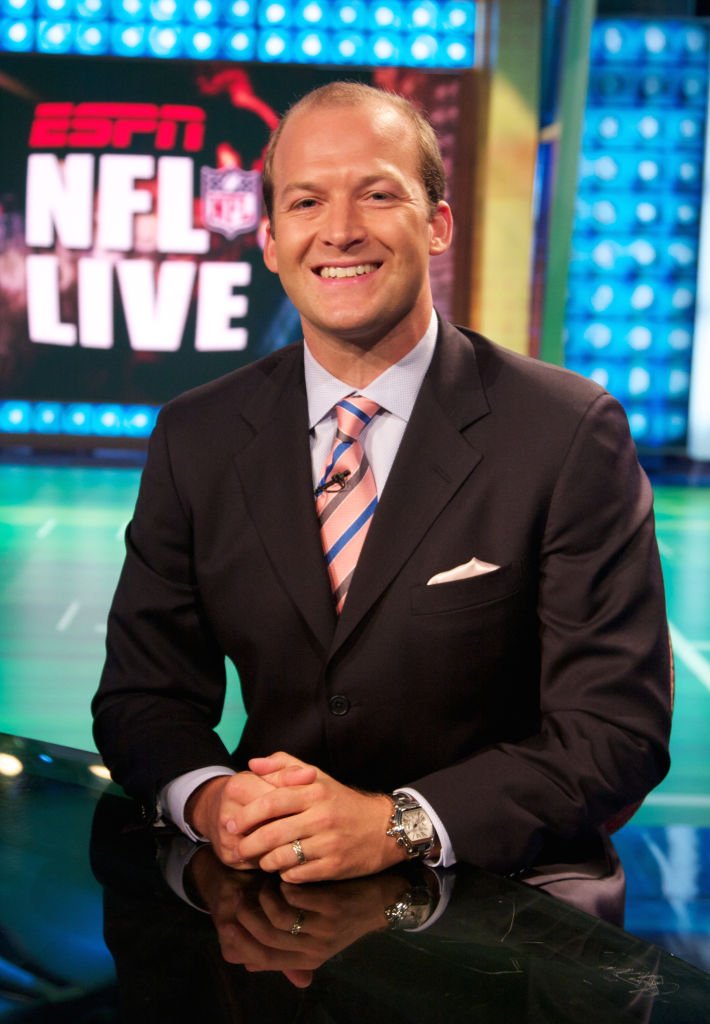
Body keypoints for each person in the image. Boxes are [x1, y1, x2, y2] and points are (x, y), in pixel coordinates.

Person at [92, 81, 672, 884]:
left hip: (506, 908)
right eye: (304, 202)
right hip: (272, 892)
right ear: (267, 236)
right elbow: (140, 697)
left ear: (437, 223)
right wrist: (211, 797)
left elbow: (616, 727)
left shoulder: (566, 433)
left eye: (376, 194)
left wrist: (400, 825)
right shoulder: (199, 436)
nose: (339, 231)